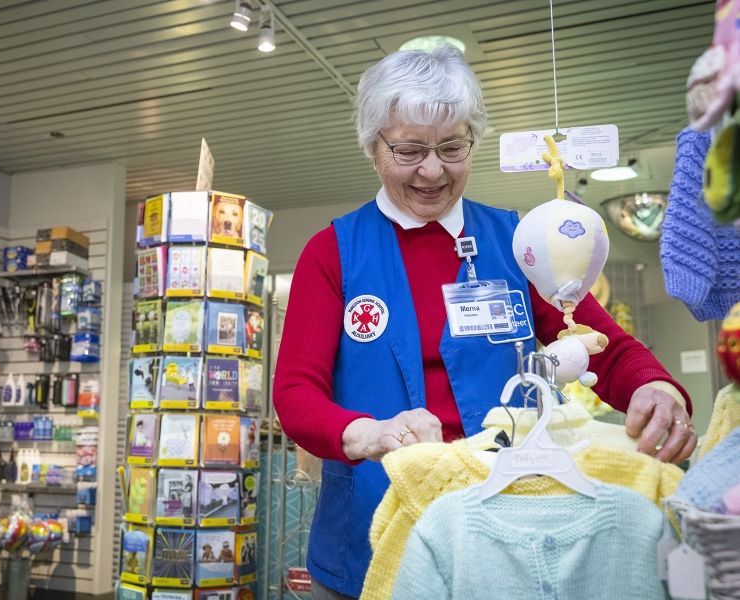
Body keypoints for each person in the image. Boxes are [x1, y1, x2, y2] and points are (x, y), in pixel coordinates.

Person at [272, 45, 696, 600]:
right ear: (373, 148)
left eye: (452, 147)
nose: (432, 170)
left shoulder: (518, 241)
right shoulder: (333, 252)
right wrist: (366, 434)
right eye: (409, 151)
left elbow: (599, 346)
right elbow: (297, 393)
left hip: (501, 534)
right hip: (371, 536)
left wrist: (655, 386)